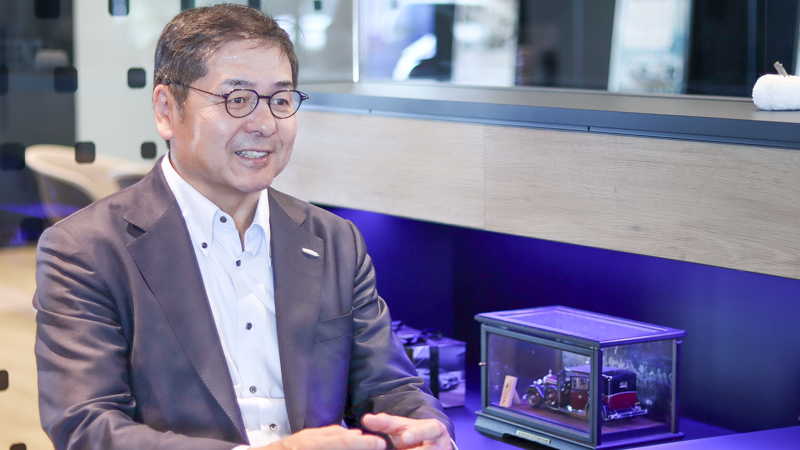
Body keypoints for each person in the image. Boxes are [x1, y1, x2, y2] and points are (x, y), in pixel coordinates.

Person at [33, 4, 454, 450]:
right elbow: (86, 427)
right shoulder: (85, 249)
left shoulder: (334, 241)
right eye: (237, 99)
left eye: (280, 100)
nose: (265, 124)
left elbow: (391, 387)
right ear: (166, 110)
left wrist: (426, 430)